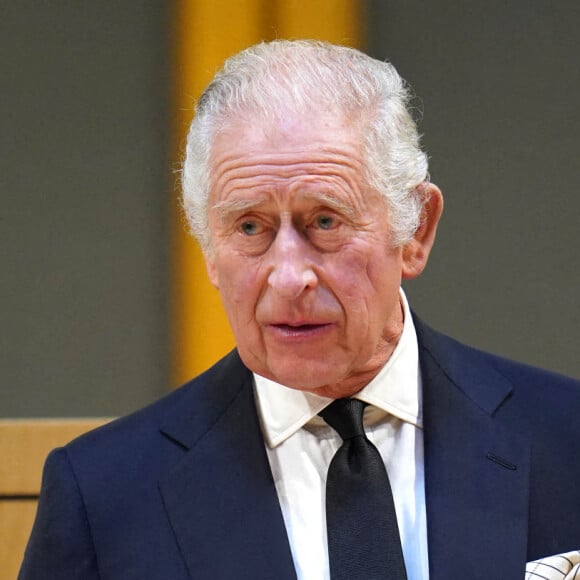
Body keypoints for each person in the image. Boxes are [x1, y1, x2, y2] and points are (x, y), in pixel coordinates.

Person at [19, 40, 580, 580]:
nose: (289, 278)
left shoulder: (567, 438)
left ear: (416, 229)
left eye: (326, 221)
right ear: (208, 250)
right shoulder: (103, 496)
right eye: (249, 227)